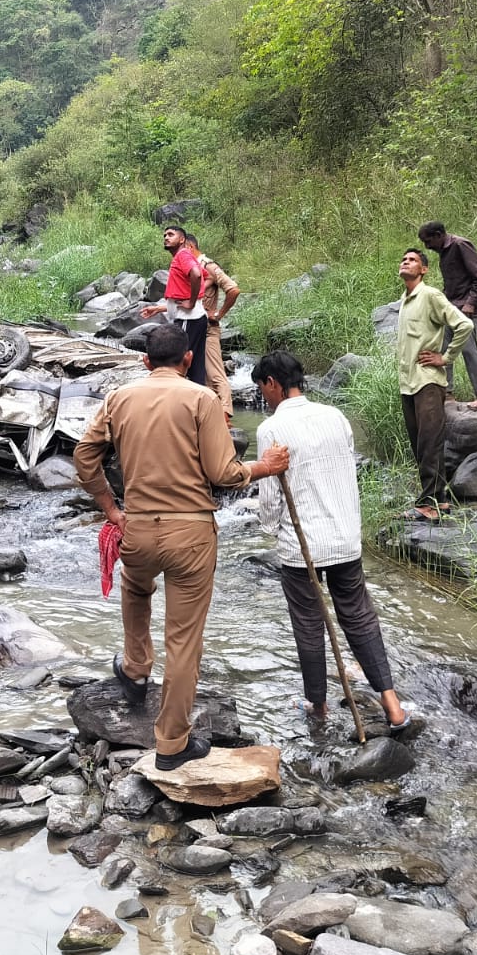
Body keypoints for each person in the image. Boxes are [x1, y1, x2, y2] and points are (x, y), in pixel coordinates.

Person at [73, 323, 290, 769]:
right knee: (184, 640)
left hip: (136, 529)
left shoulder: (119, 398)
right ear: (188, 360)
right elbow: (223, 473)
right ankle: (171, 742)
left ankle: (135, 669)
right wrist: (264, 467)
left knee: (136, 588)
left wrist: (110, 508)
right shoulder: (201, 399)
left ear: (146, 361)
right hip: (190, 533)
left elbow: (83, 457)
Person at [252, 350, 416, 735]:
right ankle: (392, 706)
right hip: (344, 537)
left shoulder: (270, 430)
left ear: (272, 383)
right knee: (359, 618)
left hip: (302, 546)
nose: (264, 397)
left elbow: (271, 500)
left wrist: (272, 529)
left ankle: (318, 705)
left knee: (309, 625)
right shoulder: (335, 417)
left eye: (263, 388)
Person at [396, 248, 473, 522]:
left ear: (424, 269)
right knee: (422, 445)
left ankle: (426, 504)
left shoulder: (430, 295)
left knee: (429, 443)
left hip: (428, 382)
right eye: (404, 259)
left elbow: (464, 325)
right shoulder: (405, 301)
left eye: (413, 260)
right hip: (408, 384)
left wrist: (445, 357)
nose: (406, 262)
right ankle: (440, 501)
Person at [418, 221, 477, 410]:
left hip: (466, 309)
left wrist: (470, 303)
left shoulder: (460, 245)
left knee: (468, 350)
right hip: (451, 308)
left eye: (428, 241)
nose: (427, 247)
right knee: (443, 349)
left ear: (438, 234)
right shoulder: (444, 251)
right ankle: (448, 393)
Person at [139, 225, 209, 388]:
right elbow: (205, 275)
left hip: (188, 319)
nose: (166, 237)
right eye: (164, 235)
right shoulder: (186, 256)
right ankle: (197, 400)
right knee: (195, 366)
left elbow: (197, 275)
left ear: (182, 239)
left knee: (174, 363)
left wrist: (192, 302)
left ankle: (175, 398)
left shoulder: (182, 255)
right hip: (194, 318)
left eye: (171, 234)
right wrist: (160, 308)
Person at [185, 233, 239, 418]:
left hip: (208, 329)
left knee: (215, 373)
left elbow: (233, 289)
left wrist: (218, 314)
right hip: (193, 327)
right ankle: (209, 416)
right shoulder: (191, 268)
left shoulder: (208, 266)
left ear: (190, 247)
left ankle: (226, 417)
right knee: (201, 375)